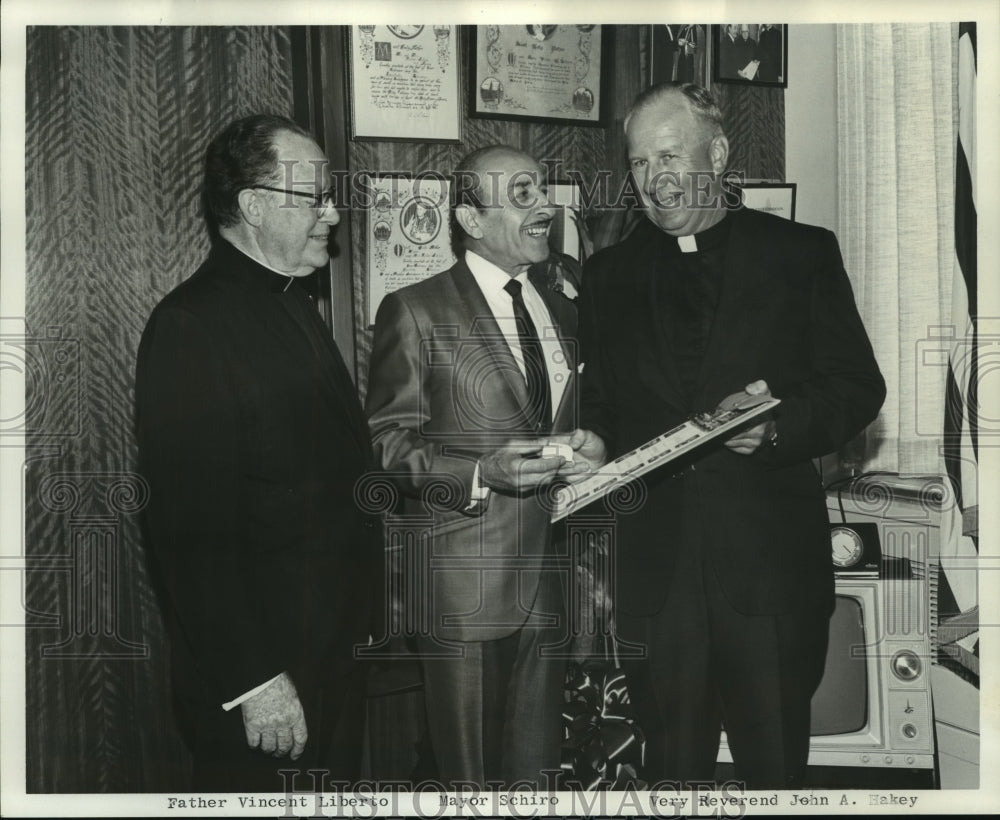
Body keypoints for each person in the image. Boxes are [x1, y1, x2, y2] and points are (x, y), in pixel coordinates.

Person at [572, 84, 886, 789]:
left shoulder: (800, 254)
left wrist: (776, 429)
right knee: (670, 777)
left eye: (670, 155)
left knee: (774, 772)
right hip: (657, 582)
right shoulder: (607, 276)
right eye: (639, 163)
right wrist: (593, 441)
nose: (654, 179)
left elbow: (857, 386)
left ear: (716, 154)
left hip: (770, 578)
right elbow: (602, 407)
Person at [135, 114, 383, 791]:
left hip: (330, 657)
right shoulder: (192, 326)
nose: (333, 212)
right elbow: (187, 533)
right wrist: (255, 681)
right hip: (269, 679)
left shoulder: (294, 302)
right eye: (315, 197)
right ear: (253, 205)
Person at [365, 145, 585, 788]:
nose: (545, 206)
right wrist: (479, 474)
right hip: (460, 593)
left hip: (547, 586)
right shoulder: (413, 310)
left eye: (542, 188)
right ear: (470, 217)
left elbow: (549, 428)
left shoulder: (562, 308)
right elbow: (385, 444)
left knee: (533, 780)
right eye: (521, 195)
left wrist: (588, 444)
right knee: (467, 784)